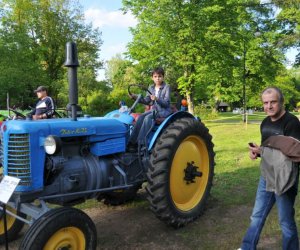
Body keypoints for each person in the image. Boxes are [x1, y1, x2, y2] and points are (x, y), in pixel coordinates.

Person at [240, 87, 300, 250]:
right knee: (257, 215)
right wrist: (257, 153)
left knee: (286, 222)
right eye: (265, 103)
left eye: (273, 102)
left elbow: (294, 155)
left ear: (281, 102)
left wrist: (263, 151)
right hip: (266, 176)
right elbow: (269, 151)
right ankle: (247, 247)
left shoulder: (292, 122)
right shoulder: (265, 123)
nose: (269, 106)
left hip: (285, 179)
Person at [128, 67, 172, 147]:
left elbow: (167, 103)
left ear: (163, 77)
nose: (157, 78)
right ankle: (132, 141)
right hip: (154, 111)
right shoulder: (151, 87)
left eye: (160, 76)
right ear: (152, 78)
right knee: (141, 117)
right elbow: (147, 100)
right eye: (155, 77)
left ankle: (140, 143)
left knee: (148, 118)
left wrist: (157, 99)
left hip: (163, 111)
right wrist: (135, 97)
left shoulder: (167, 87)